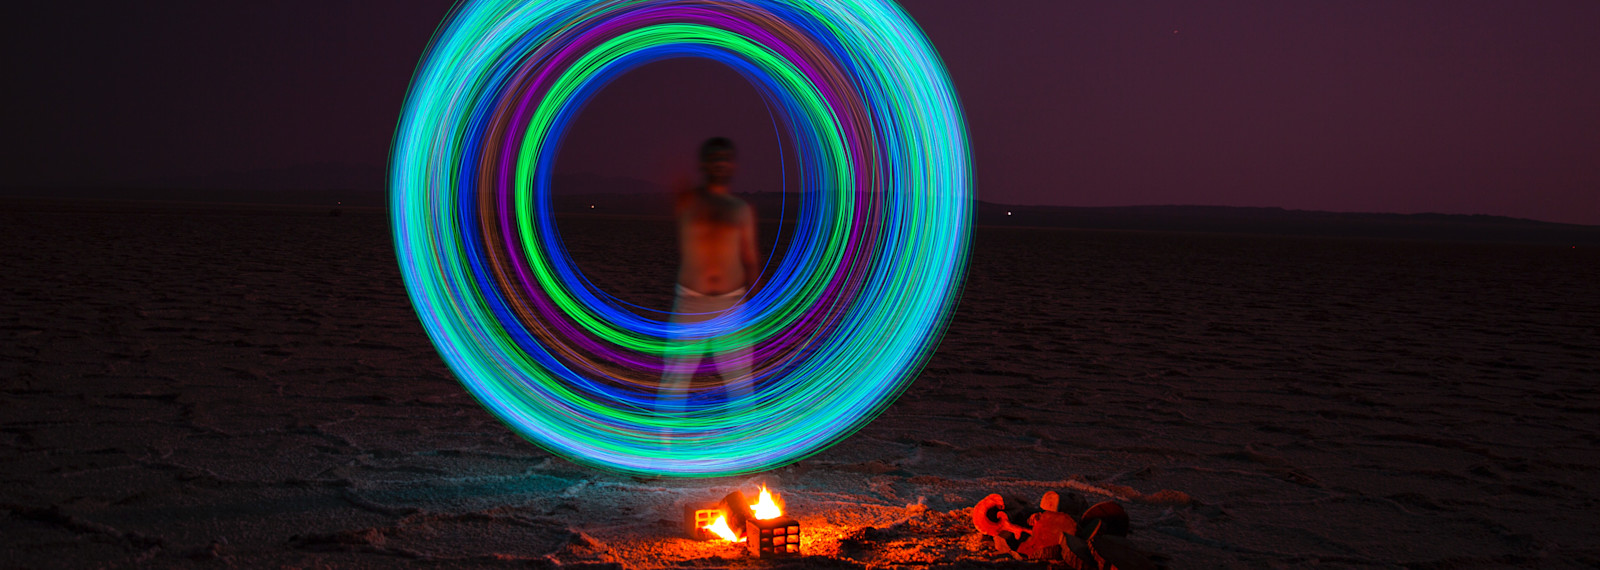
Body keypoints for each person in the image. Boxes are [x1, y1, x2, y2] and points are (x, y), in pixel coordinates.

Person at [657, 137, 761, 414]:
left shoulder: (740, 209)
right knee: (674, 381)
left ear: (733, 165)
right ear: (704, 164)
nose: (720, 162)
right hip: (691, 304)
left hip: (731, 305)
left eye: (725, 157)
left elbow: (750, 259)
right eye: (714, 157)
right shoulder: (688, 200)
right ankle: (663, 450)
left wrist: (757, 305)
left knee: (740, 384)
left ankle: (745, 450)